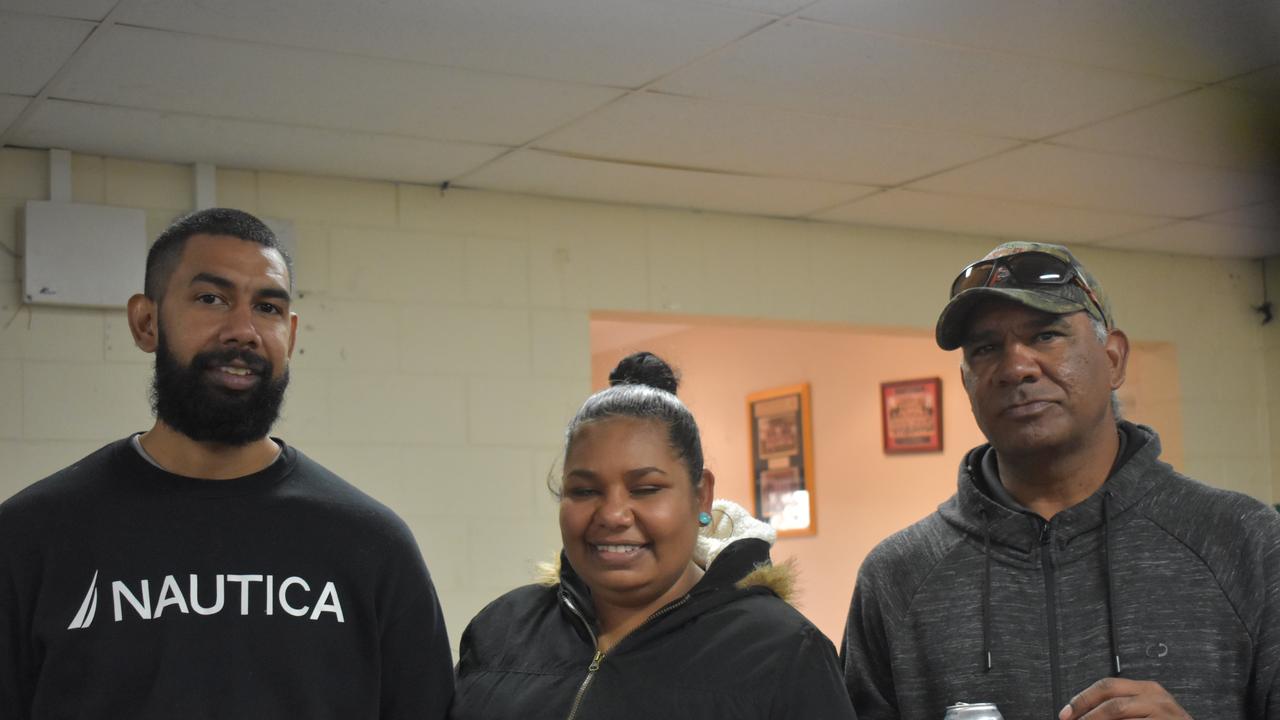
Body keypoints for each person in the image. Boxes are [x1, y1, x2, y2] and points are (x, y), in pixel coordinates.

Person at [0, 208, 454, 719]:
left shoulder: (372, 547)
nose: (243, 330)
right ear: (146, 322)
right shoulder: (33, 536)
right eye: (210, 299)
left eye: (268, 307)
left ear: (292, 334)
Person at [841, 241, 1280, 719]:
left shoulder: (1244, 542)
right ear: (967, 383)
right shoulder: (897, 576)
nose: (1016, 367)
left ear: (1113, 359)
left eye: (1047, 335)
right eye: (986, 348)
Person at [451, 352, 856, 719]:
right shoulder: (501, 631)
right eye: (585, 491)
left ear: (701, 495)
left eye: (645, 489)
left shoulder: (782, 653)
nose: (612, 514)